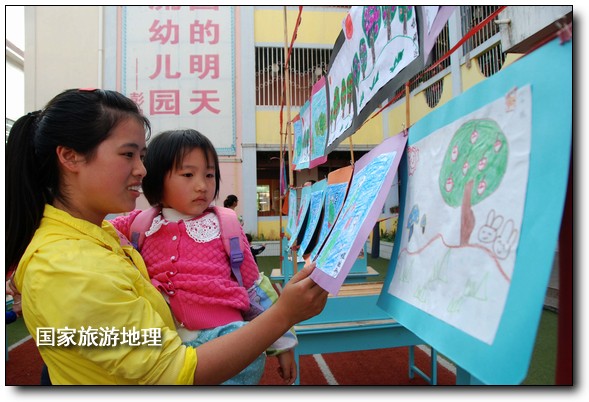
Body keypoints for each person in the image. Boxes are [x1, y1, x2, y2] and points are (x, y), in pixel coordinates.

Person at [5, 88, 328, 385]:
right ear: (70, 157)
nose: (142, 169)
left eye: (142, 156)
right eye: (128, 155)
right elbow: (174, 374)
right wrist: (284, 315)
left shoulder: (98, 233)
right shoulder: (68, 266)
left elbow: (251, 283)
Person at [110, 129, 295, 385]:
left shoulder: (226, 225)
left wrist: (283, 346)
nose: (202, 185)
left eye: (209, 175)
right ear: (155, 181)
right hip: (165, 343)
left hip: (226, 337)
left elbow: (254, 289)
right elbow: (92, 229)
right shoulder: (139, 224)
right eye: (188, 175)